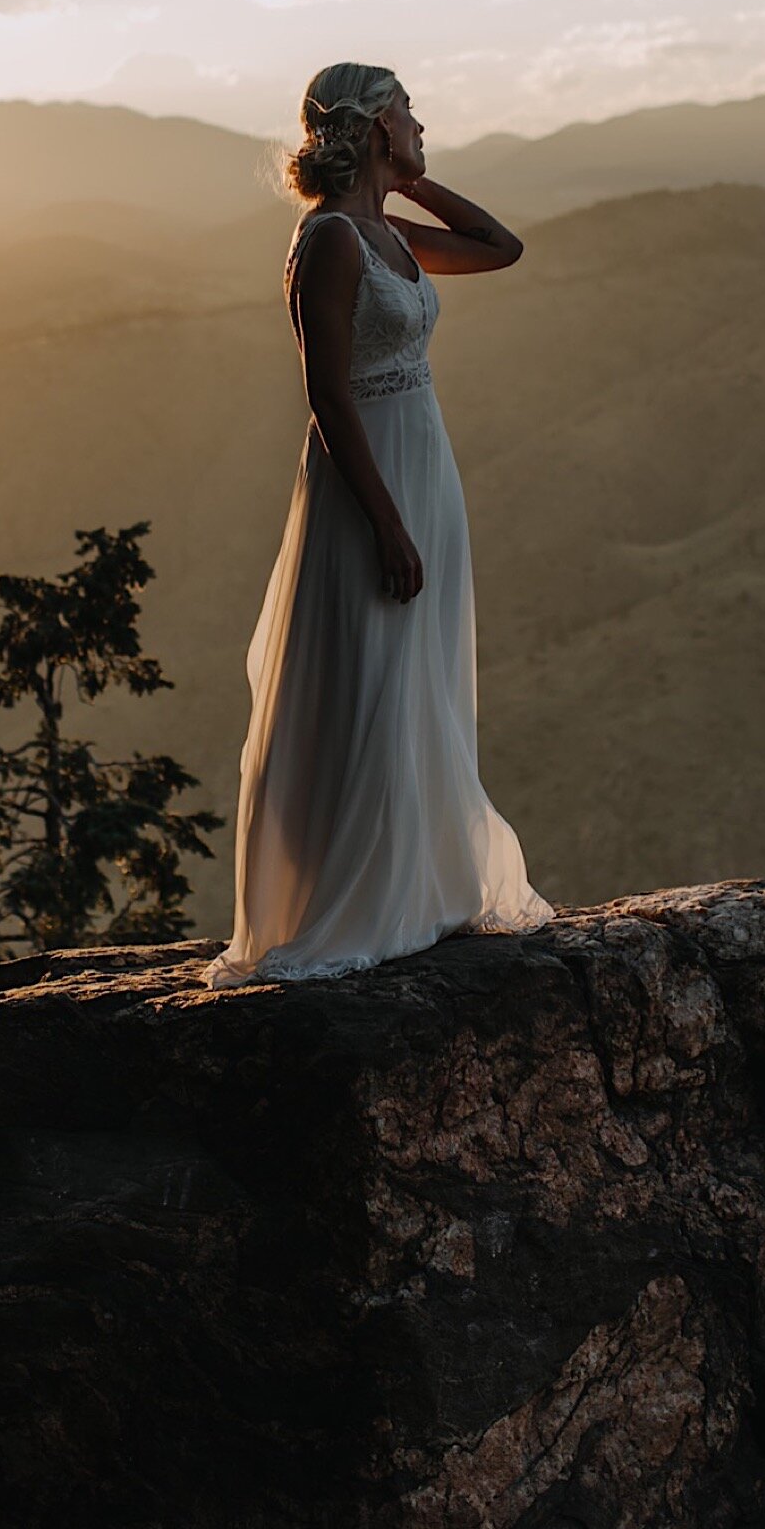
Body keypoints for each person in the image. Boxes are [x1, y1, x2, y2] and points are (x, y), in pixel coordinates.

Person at [204, 62, 552, 987]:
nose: (423, 120)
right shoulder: (330, 243)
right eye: (409, 113)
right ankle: (343, 900)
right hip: (369, 478)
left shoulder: (386, 233)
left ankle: (417, 886)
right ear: (370, 125)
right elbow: (326, 395)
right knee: (367, 664)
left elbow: (500, 245)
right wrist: (387, 526)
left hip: (423, 460)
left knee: (419, 669)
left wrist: (406, 173)